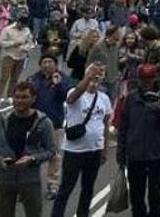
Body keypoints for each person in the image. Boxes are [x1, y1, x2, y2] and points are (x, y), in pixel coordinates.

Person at [0, 80, 56, 217]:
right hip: (4, 180)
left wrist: (33, 159)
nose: (19, 101)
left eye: (24, 97)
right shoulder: (2, 122)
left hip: (30, 180)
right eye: (16, 97)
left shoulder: (44, 123)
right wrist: (1, 162)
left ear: (33, 99)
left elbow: (52, 150)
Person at [117, 63, 160, 217]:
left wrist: (158, 108)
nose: (146, 82)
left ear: (155, 78)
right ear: (139, 79)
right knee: (136, 194)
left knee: (155, 191)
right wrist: (121, 152)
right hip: (135, 154)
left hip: (157, 154)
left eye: (149, 79)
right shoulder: (132, 98)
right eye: (143, 79)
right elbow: (123, 126)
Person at [51, 62, 112, 217]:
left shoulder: (104, 98)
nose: (95, 78)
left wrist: (104, 149)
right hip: (74, 151)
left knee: (88, 188)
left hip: (94, 150)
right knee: (66, 188)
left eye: (99, 74)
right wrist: (88, 77)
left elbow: (105, 125)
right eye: (92, 74)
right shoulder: (76, 92)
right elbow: (72, 98)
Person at [28, 53, 72, 199]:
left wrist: (58, 84)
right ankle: (30, 185)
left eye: (50, 62)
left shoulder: (62, 78)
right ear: (40, 65)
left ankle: (53, 186)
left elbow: (68, 96)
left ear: (55, 64)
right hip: (34, 123)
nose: (47, 65)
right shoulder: (33, 79)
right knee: (31, 155)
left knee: (54, 156)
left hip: (55, 123)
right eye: (44, 62)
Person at [0, 14, 33, 106]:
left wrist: (27, 47)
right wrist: (13, 43)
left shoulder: (27, 31)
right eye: (21, 25)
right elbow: (0, 43)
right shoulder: (8, 29)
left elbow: (30, 42)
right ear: (18, 22)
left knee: (15, 78)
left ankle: (10, 96)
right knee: (4, 77)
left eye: (24, 26)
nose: (22, 27)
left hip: (21, 56)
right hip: (9, 55)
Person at [87, 26, 122, 101]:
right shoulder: (98, 47)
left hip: (113, 81)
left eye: (117, 40)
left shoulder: (116, 47)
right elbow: (89, 63)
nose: (116, 42)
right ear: (109, 36)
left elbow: (116, 62)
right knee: (100, 101)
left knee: (111, 104)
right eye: (114, 39)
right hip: (101, 82)